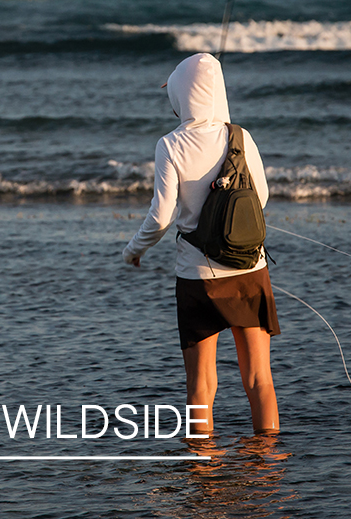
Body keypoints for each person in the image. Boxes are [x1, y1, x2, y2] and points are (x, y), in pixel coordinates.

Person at [122, 53, 280, 435]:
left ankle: (202, 467)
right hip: (249, 268)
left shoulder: (170, 145)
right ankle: (269, 466)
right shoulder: (240, 136)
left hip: (198, 276)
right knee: (259, 378)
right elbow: (261, 198)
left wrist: (134, 250)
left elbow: (160, 217)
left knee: (200, 387)